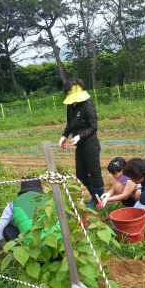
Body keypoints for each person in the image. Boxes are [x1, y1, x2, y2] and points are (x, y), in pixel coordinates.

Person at [58, 78, 104, 208]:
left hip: (90, 144)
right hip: (79, 145)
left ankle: (100, 202)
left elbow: (93, 127)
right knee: (81, 174)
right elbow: (70, 123)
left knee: (95, 173)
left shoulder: (87, 105)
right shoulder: (70, 106)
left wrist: (78, 136)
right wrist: (64, 135)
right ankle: (95, 199)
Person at [0, 177, 62, 257]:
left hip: (35, 255)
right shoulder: (52, 200)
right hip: (62, 250)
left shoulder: (13, 204)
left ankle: (20, 254)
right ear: (40, 187)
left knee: (6, 228)